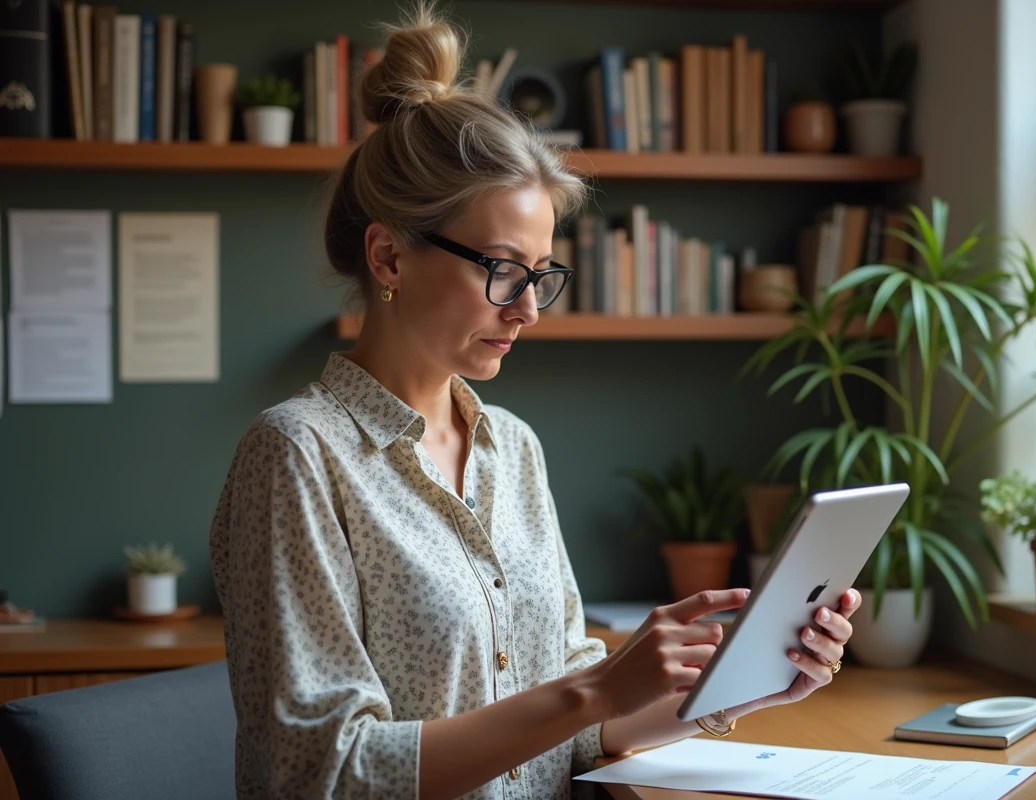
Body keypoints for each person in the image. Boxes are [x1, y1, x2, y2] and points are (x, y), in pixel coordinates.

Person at [208, 4, 860, 798]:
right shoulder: (298, 454)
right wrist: (595, 690)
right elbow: (322, 772)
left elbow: (577, 729)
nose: (529, 308)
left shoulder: (511, 447)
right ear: (388, 256)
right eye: (502, 269)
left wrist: (744, 685)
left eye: (542, 274)